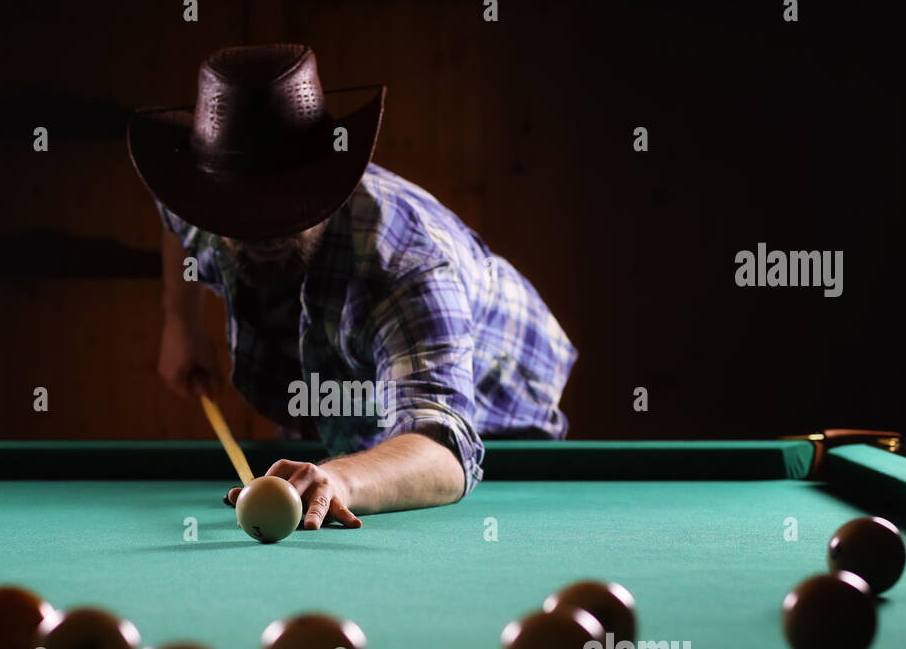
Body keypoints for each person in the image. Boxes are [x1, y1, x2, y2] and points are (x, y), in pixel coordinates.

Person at [128, 44, 576, 531]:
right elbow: (175, 223)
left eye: (284, 212)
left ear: (327, 185)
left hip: (491, 420)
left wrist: (340, 479)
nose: (261, 232)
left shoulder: (406, 261)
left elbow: (444, 448)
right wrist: (181, 323)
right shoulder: (201, 200)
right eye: (240, 213)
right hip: (349, 400)